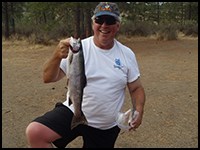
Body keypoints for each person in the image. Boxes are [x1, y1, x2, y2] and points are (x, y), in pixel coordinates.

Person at [25, 2, 146, 148]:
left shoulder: (127, 54)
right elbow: (48, 78)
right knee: (35, 132)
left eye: (110, 21)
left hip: (105, 125)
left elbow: (136, 88)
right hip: (73, 110)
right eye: (100, 20)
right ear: (93, 23)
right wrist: (56, 56)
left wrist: (138, 111)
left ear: (118, 25)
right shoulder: (78, 49)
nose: (104, 25)